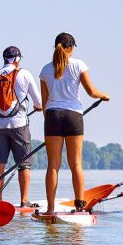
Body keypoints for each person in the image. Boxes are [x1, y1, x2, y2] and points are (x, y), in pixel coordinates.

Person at [38, 32, 110, 215]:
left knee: (53, 165)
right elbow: (92, 92)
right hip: (73, 116)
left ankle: (51, 209)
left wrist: (51, 120)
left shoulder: (45, 70)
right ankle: (80, 206)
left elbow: (45, 102)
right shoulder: (79, 65)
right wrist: (104, 95)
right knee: (76, 164)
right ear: (71, 48)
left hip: (53, 116)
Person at [0, 45, 42, 207]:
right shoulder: (24, 74)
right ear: (17, 59)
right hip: (20, 125)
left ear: (4, 59)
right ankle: (24, 201)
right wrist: (38, 107)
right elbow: (38, 102)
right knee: (24, 164)